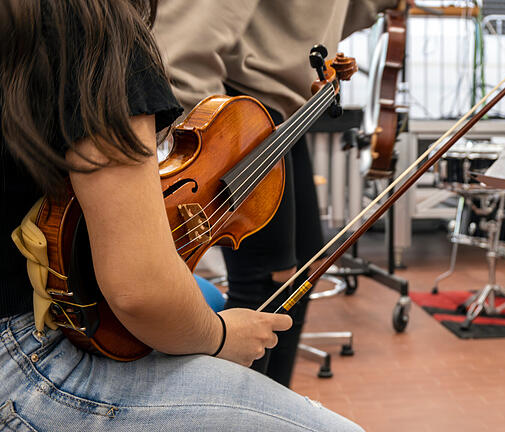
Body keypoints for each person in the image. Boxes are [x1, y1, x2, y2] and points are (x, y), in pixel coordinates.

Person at [0, 0, 362, 430]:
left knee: (203, 297)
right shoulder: (91, 23)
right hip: (19, 361)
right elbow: (141, 291)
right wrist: (221, 336)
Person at [153, 0, 398, 387]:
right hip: (242, 109)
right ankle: (236, 414)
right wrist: (215, 139)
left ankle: (271, 404)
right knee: (268, 281)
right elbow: (182, 49)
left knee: (301, 271)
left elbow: (310, 18)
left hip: (281, 115)